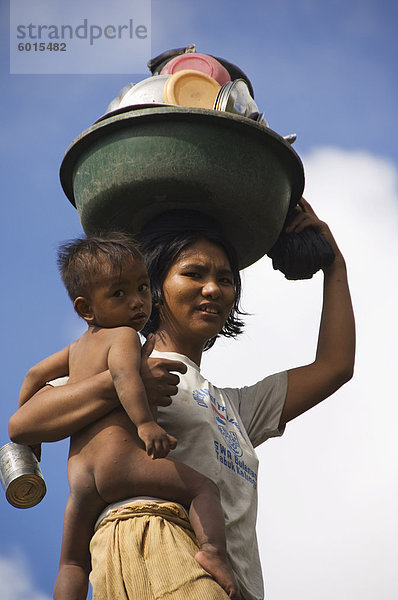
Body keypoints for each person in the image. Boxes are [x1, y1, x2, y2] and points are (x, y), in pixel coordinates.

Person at [9, 199, 355, 600]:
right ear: (154, 288)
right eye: (194, 274)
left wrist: (334, 265)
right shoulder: (123, 360)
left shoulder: (233, 407)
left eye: (226, 280)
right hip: (160, 560)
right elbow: (26, 421)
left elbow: (335, 366)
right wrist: (122, 385)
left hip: (231, 587)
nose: (213, 288)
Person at [17, 233, 241, 600]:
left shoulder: (74, 351)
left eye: (141, 287)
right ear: (86, 309)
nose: (138, 302)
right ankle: (213, 553)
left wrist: (32, 441)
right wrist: (146, 424)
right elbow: (125, 376)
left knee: (72, 563)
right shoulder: (123, 336)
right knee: (203, 487)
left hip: (81, 483)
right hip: (123, 465)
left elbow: (31, 378)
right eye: (119, 294)